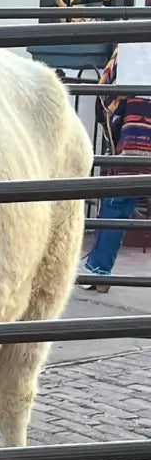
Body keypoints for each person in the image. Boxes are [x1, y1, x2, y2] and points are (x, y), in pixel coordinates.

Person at [83, 41, 151, 292]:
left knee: (118, 204)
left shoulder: (134, 46)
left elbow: (106, 88)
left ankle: (100, 271)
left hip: (137, 134)